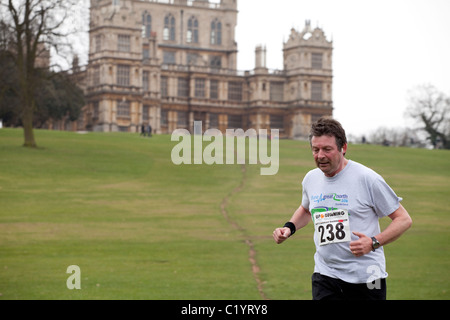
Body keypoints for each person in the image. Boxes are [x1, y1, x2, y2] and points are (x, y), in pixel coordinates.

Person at [273, 117, 412, 300]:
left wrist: (373, 242)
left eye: (327, 149)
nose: (320, 155)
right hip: (325, 274)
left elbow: (403, 219)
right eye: (315, 149)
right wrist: (289, 228)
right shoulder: (311, 179)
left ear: (343, 148)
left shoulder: (367, 179)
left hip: (368, 276)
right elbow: (307, 209)